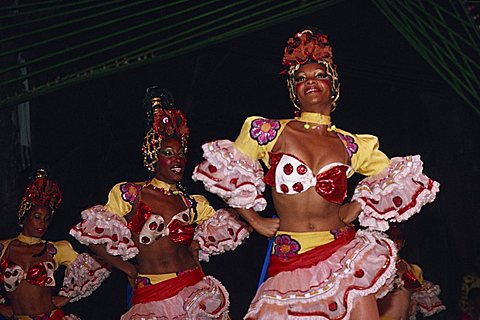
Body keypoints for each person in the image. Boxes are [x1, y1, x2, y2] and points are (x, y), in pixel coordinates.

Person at [193, 28, 440, 319]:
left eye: (319, 75)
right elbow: (223, 173)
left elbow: (396, 176)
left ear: (332, 85)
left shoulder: (351, 143)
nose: (310, 82)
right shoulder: (268, 131)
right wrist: (255, 220)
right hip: (291, 252)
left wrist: (356, 207)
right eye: (301, 78)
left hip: (341, 248)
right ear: (294, 89)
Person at [70, 87, 251, 319]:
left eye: (181, 154)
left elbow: (228, 224)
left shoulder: (191, 202)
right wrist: (127, 268)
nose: (177, 160)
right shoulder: (130, 193)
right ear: (153, 157)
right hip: (153, 292)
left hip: (194, 286)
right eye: (168, 153)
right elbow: (91, 236)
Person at [0, 169, 110, 320]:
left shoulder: (57, 249)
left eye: (47, 219)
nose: (42, 224)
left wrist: (67, 297)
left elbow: (99, 265)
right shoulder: (4, 248)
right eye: (37, 217)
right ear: (24, 216)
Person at [378, 224, 445, 320]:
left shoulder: (414, 269)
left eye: (399, 238)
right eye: (391, 237)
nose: (395, 242)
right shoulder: (375, 270)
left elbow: (413, 298)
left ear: (404, 241)